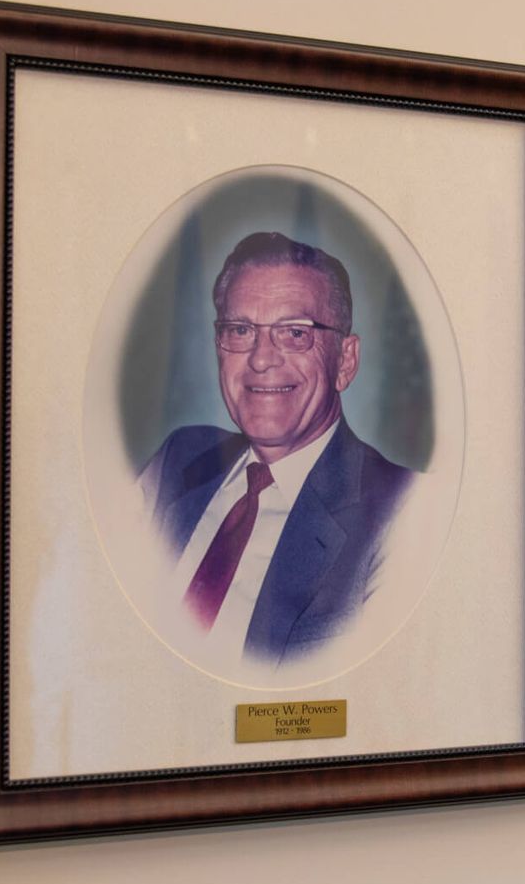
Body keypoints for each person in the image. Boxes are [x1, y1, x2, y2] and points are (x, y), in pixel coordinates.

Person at [140, 231, 413, 667]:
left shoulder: (403, 510)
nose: (261, 358)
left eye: (294, 333)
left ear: (345, 360)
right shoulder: (178, 459)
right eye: (240, 329)